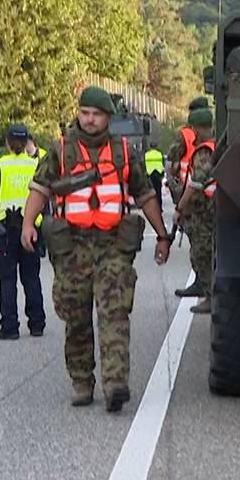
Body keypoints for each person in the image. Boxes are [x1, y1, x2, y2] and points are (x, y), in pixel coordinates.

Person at [20, 86, 171, 412]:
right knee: (75, 318)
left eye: (97, 114)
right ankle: (81, 381)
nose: (89, 120)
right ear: (79, 113)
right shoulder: (61, 150)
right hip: (72, 248)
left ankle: (116, 383)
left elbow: (145, 195)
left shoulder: (125, 153)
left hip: (113, 246)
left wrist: (162, 235)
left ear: (108, 118)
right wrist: (28, 224)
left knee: (114, 314)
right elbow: (40, 189)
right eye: (85, 113)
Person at [0, 124, 45, 340]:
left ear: (8, 143)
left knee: (7, 279)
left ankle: (10, 326)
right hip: (31, 229)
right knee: (31, 277)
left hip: (6, 230)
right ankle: (37, 323)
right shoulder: (35, 165)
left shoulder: (0, 166)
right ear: (27, 141)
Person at [166, 99, 211, 297]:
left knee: (201, 248)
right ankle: (205, 286)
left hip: (197, 201)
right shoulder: (219, 137)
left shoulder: (187, 136)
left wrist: (179, 205)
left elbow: (174, 162)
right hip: (207, 202)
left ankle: (207, 290)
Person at [174, 105, 215, 314]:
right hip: (212, 209)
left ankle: (211, 296)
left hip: (204, 211)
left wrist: (180, 207)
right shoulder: (217, 145)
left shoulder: (204, 151)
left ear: (196, 129)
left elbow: (196, 183)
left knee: (202, 253)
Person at [144, 140, 165, 209]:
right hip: (158, 174)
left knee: (151, 193)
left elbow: (144, 164)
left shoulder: (146, 154)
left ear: (150, 147)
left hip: (149, 175)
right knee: (158, 192)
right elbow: (163, 163)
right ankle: (160, 207)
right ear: (156, 146)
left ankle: (153, 208)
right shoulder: (159, 154)